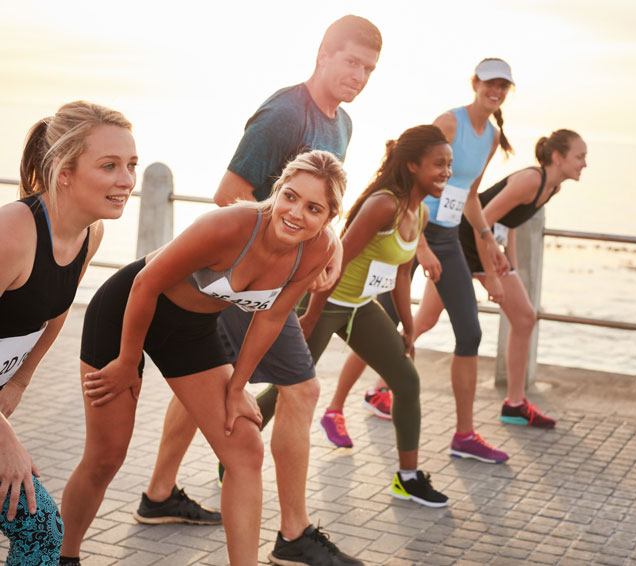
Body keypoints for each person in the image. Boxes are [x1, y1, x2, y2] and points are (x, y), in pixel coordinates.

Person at [134, 14, 381, 566]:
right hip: (238, 283)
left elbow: (324, 202)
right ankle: (293, 536)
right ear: (323, 53)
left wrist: (332, 244)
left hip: (265, 283)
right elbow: (230, 197)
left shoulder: (341, 124)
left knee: (203, 382)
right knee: (303, 391)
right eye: (351, 62)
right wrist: (264, 277)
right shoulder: (282, 114)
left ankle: (158, 495)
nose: (359, 75)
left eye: (369, 68)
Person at [58, 150, 344, 566]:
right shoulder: (229, 225)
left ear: (329, 218)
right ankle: (63, 557)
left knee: (245, 448)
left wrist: (237, 387)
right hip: (127, 312)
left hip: (190, 331)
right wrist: (125, 361)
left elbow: (271, 318)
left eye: (314, 208)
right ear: (278, 190)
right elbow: (145, 284)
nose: (296, 213)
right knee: (106, 456)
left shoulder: (316, 249)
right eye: (290, 196)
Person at [328, 58, 514, 463]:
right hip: (411, 231)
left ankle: (464, 435)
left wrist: (487, 240)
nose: (495, 91)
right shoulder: (450, 122)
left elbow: (467, 195)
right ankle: (334, 409)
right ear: (475, 84)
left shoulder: (493, 137)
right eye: (489, 83)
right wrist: (421, 247)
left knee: (470, 333)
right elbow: (417, 183)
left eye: (503, 85)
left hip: (446, 236)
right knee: (379, 322)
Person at [0, 101, 135, 566]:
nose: (127, 180)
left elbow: (54, 311)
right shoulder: (12, 232)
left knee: (40, 531)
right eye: (109, 165)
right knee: (40, 529)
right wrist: (5, 437)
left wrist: (20, 380)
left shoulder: (88, 234)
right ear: (64, 172)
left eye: (131, 165)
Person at [301, 125, 451, 508]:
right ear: (413, 164)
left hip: (361, 307)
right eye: (438, 164)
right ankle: (229, 458)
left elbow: (401, 273)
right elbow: (335, 262)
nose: (446, 172)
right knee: (291, 389)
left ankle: (408, 478)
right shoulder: (384, 204)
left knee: (406, 380)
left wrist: (410, 327)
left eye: (448, 165)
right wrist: (309, 318)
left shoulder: (421, 213)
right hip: (325, 300)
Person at [457, 129, 587, 428]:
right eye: (579, 157)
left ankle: (515, 405)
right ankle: (379, 389)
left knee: (526, 318)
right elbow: (483, 221)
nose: (584, 164)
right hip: (462, 242)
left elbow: (510, 222)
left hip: (487, 248)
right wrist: (492, 276)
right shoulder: (531, 179)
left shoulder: (551, 189)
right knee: (425, 320)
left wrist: (510, 267)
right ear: (558, 157)